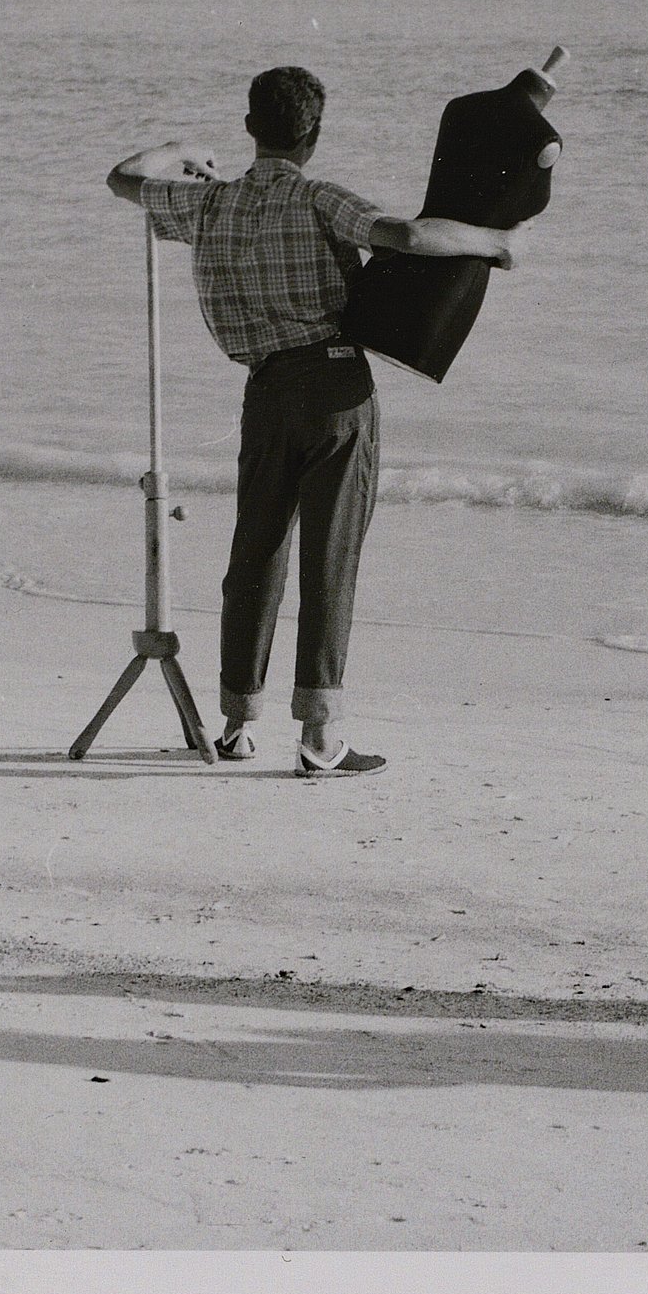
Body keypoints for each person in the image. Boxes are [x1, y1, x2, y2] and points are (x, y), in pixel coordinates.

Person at [107, 66, 518, 776]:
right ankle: (320, 736)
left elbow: (121, 179)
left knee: (256, 555)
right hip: (334, 387)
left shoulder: (210, 206)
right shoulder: (318, 196)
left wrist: (179, 148)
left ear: (249, 129)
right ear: (315, 135)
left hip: (265, 393)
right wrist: (490, 242)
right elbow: (408, 236)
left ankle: (237, 724)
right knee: (330, 559)